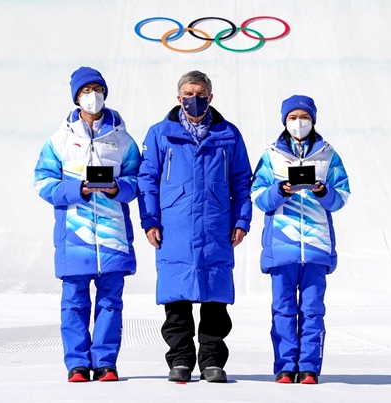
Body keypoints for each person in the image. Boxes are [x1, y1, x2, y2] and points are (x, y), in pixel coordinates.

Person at [137, 70, 252, 383]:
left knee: (215, 298)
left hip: (216, 226)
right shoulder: (160, 134)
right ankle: (180, 360)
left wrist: (241, 219)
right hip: (174, 228)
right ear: (179, 98)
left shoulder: (228, 134)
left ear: (210, 97)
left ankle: (212, 361)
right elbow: (147, 180)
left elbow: (242, 180)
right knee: (177, 298)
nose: (194, 99)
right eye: (188, 94)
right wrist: (150, 220)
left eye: (201, 94)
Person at [33, 67, 141, 383]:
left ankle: (106, 363)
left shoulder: (123, 140)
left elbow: (139, 181)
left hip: (113, 237)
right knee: (74, 304)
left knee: (110, 305)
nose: (92, 95)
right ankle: (77, 364)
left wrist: (117, 188)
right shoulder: (59, 140)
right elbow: (42, 182)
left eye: (97, 89)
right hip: (74, 238)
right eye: (85, 90)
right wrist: (76, 190)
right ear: (76, 97)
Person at [250, 95, 350, 384]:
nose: (298, 122)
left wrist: (323, 191)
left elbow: (341, 197)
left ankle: (308, 367)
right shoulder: (271, 155)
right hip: (282, 246)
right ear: (284, 121)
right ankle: (285, 366)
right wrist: (280, 190)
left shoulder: (328, 155)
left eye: (304, 117)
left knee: (312, 310)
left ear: (313, 120)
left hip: (316, 246)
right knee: (283, 310)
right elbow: (258, 196)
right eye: (292, 117)